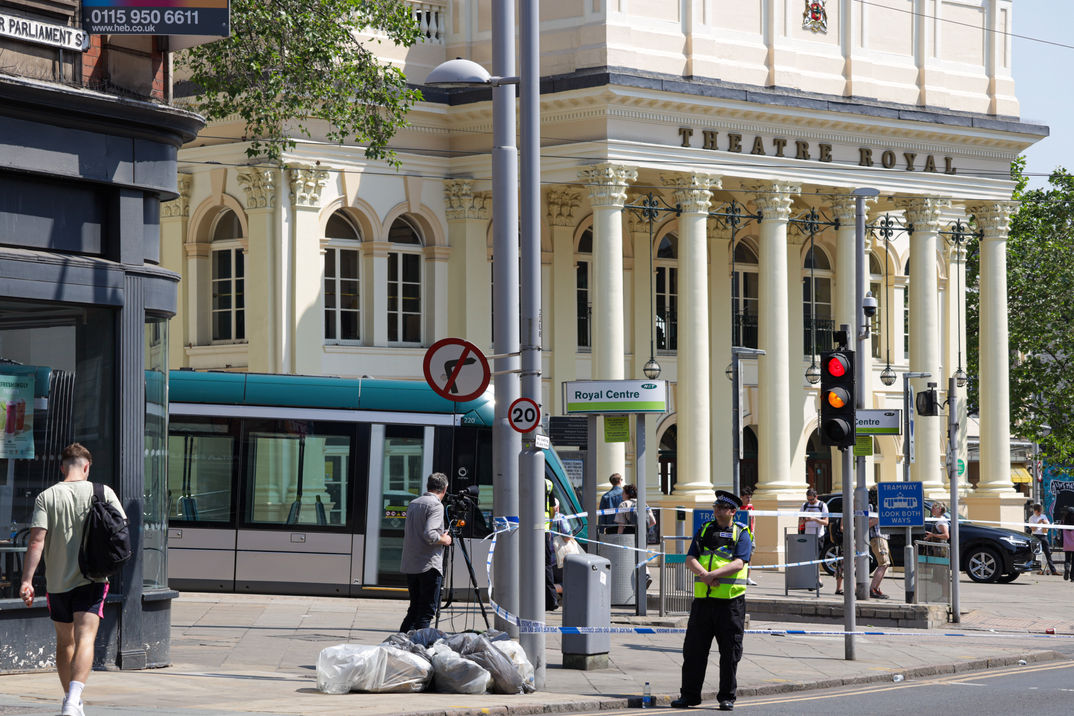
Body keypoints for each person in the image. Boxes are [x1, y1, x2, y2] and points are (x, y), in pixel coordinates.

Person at [19, 443, 126, 716]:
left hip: (57, 582)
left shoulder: (47, 496)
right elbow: (121, 532)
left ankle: (70, 699)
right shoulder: (103, 492)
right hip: (93, 578)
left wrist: (27, 580)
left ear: (62, 466)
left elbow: (36, 541)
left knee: (65, 642)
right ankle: (73, 701)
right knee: (86, 638)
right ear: (87, 466)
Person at [671, 490, 753, 711]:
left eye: (722, 508)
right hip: (703, 603)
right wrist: (705, 576)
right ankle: (689, 696)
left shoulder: (741, 533)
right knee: (694, 651)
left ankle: (727, 697)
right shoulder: (705, 530)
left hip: (730, 604)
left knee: (730, 653)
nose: (716, 511)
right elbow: (690, 559)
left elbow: (739, 563)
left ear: (733, 511)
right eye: (715, 507)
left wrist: (712, 576)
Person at [399, 472, 452, 633]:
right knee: (426, 612)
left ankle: (400, 644)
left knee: (414, 609)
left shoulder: (414, 503)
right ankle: (419, 648)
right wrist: (445, 540)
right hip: (429, 566)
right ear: (444, 488)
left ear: (428, 486)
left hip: (412, 564)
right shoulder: (436, 505)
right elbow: (430, 534)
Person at [798, 488, 828, 586]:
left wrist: (814, 519)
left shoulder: (822, 505)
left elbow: (826, 522)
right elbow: (800, 521)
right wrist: (804, 521)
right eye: (808, 500)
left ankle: (817, 579)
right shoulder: (804, 505)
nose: (810, 502)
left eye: (812, 500)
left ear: (816, 497)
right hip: (807, 535)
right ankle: (814, 580)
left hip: (818, 536)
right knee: (809, 558)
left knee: (815, 558)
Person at [867, 487, 891, 599]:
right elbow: (866, 523)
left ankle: (875, 588)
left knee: (885, 564)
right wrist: (881, 516)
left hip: (883, 537)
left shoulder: (879, 506)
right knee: (884, 563)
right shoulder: (871, 507)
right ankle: (873, 589)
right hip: (877, 537)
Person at [1028, 503, 1059, 576]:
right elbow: (1033, 529)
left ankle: (1053, 570)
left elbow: (1047, 527)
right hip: (1036, 536)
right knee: (1037, 554)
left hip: (1043, 536)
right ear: (1035, 511)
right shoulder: (1031, 518)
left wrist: (1045, 523)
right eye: (1038, 511)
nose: (1039, 513)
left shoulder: (1044, 516)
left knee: (1048, 553)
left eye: (1040, 511)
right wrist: (1038, 523)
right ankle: (1039, 570)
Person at [1063, 507, 1074, 581]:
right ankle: (1072, 577)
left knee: (1067, 559)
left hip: (1067, 543)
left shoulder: (1064, 522)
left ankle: (1067, 568)